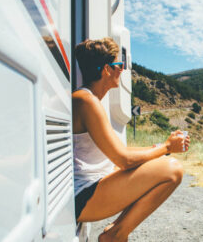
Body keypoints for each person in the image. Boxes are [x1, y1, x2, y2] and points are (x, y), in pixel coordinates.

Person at [72, 38, 190, 242]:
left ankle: (115, 233)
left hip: (91, 190)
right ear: (107, 70)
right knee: (172, 170)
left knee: (161, 163)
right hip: (83, 196)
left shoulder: (90, 100)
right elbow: (123, 160)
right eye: (119, 65)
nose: (122, 70)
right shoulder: (86, 100)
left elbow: (118, 151)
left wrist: (162, 148)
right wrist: (167, 147)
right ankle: (116, 235)